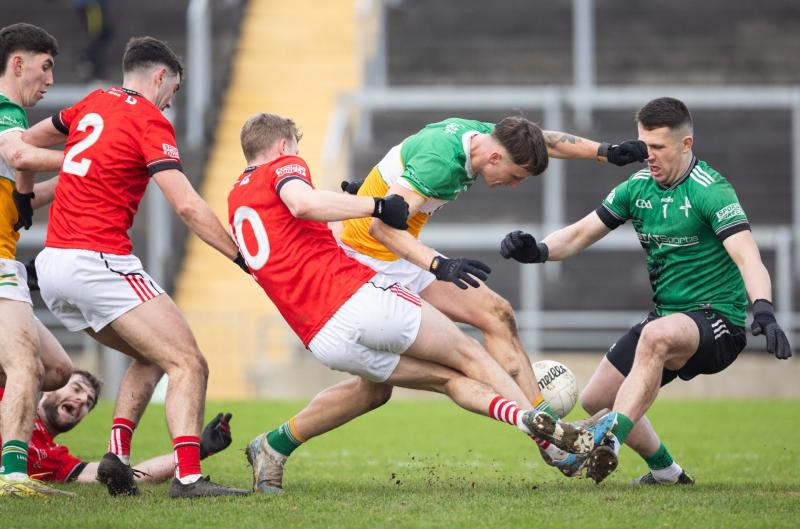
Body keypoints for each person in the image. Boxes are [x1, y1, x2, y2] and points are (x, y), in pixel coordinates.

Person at [227, 113, 605, 493]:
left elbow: (543, 140)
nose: (514, 185)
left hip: (360, 281)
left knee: (493, 316)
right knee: (460, 355)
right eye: (517, 175)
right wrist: (438, 264)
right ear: (494, 157)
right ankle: (551, 439)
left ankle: (273, 445)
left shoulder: (480, 136)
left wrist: (606, 152)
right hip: (370, 257)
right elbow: (377, 224)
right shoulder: (440, 162)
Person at [500, 97, 792, 484]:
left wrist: (765, 310)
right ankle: (667, 473)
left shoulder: (711, 190)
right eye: (643, 145)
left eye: (658, 147)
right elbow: (579, 234)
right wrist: (536, 250)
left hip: (717, 321)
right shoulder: (637, 188)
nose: (648, 156)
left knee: (654, 337)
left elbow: (748, 257)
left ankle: (608, 442)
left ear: (686, 144)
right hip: (667, 318)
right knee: (598, 398)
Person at [21, 36, 249, 498]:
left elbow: (27, 141)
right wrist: (241, 257)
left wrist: (27, 194)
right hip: (98, 260)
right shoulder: (149, 119)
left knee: (152, 356)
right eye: (173, 91)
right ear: (161, 77)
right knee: (190, 363)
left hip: (53, 264)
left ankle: (117, 457)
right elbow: (185, 204)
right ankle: (188, 477)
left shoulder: (93, 101)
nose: (169, 102)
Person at [0, 22, 75, 498]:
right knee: (26, 366)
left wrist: (84, 177)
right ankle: (11, 476)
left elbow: (22, 205)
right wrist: (90, 157)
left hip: (7, 258)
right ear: (18, 63)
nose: (49, 81)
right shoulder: (6, 113)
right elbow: (17, 152)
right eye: (45, 68)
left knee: (57, 370)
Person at [0, 370, 235, 486]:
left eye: (89, 403)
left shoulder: (56, 458)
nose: (82, 400)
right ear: (51, 387)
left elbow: (130, 475)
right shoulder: (6, 394)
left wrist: (199, 450)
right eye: (77, 389)